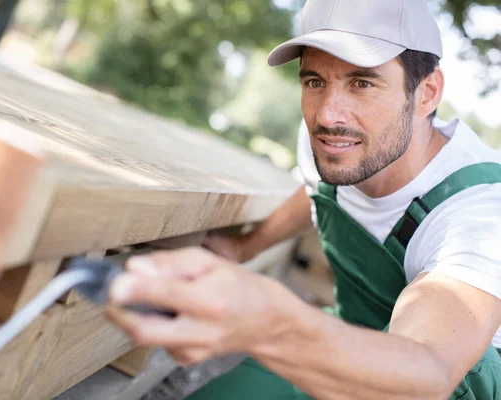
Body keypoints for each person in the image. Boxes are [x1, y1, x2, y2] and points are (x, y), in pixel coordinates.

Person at [106, 0, 501, 398]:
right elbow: (316, 193)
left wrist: (271, 325)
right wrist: (242, 249)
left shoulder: (477, 212)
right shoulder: (339, 145)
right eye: (314, 81)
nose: (327, 115)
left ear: (426, 93)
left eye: (362, 83)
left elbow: (427, 373)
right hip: (347, 338)